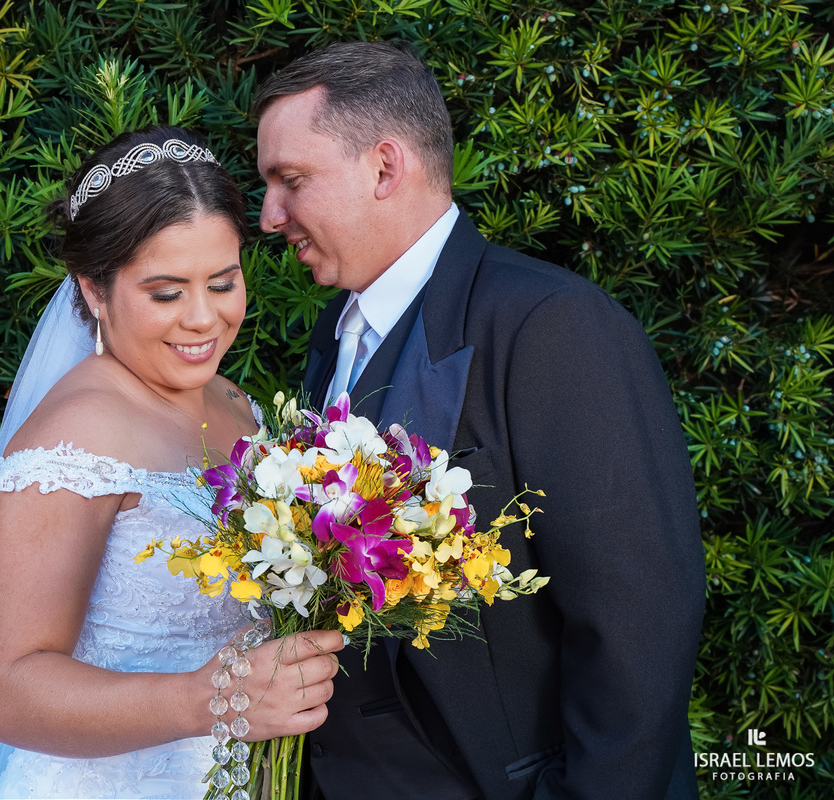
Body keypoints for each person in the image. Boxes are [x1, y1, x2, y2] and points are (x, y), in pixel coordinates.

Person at [253, 42, 706, 800]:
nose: (269, 217)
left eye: (290, 181)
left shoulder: (553, 325)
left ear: (386, 168)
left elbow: (640, 621)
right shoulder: (337, 328)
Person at [0, 126, 344, 800]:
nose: (203, 319)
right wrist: (215, 699)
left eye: (223, 283)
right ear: (94, 290)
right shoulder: (72, 440)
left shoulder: (235, 404)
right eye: (167, 293)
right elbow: (11, 693)